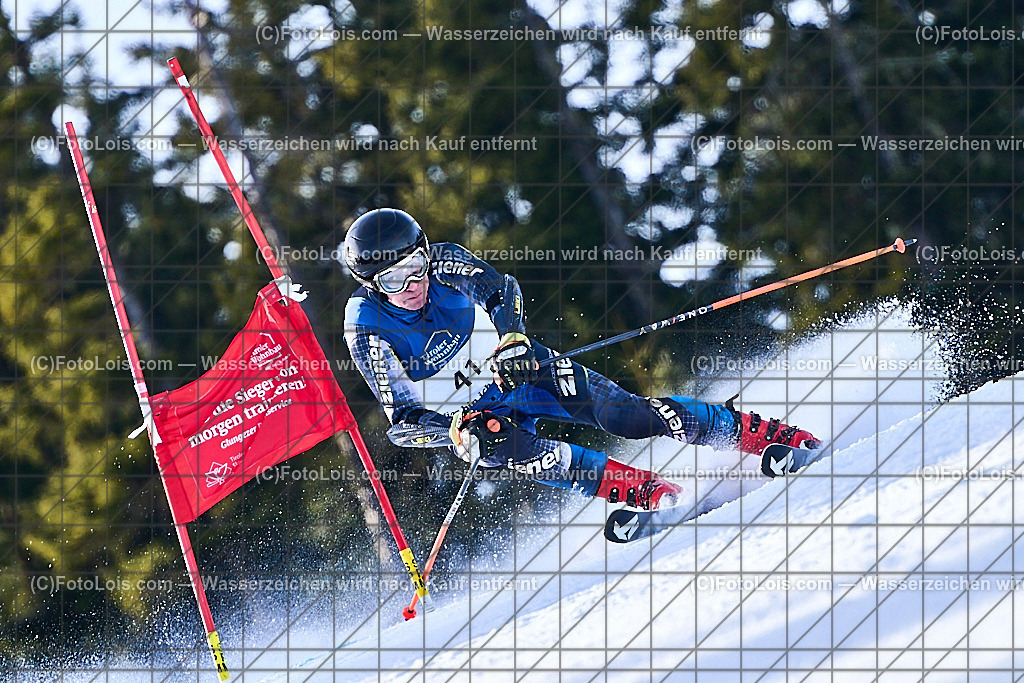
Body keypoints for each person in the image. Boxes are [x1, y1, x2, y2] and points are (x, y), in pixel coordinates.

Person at [341, 208, 820, 511]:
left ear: (425, 254)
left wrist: (512, 339)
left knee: (628, 417)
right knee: (503, 445)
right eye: (391, 281)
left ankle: (758, 434)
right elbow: (403, 422)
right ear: (370, 286)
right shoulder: (366, 328)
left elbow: (498, 289)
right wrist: (451, 431)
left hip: (519, 371)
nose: (412, 286)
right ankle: (636, 489)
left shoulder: (444, 261)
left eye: (415, 269)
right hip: (474, 417)